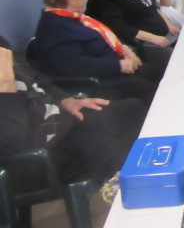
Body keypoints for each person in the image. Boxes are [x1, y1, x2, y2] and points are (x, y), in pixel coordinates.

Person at [0, 36, 146, 195]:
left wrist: (66, 100)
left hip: (57, 120)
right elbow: (11, 145)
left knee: (131, 109)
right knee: (112, 145)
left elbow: (36, 79)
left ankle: (140, 181)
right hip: (32, 157)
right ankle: (138, 193)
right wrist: (5, 88)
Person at [33, 0, 161, 107]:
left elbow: (104, 35)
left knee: (161, 73)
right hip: (105, 80)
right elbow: (74, 65)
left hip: (118, 65)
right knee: (155, 93)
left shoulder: (71, 17)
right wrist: (119, 66)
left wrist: (125, 50)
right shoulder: (54, 28)